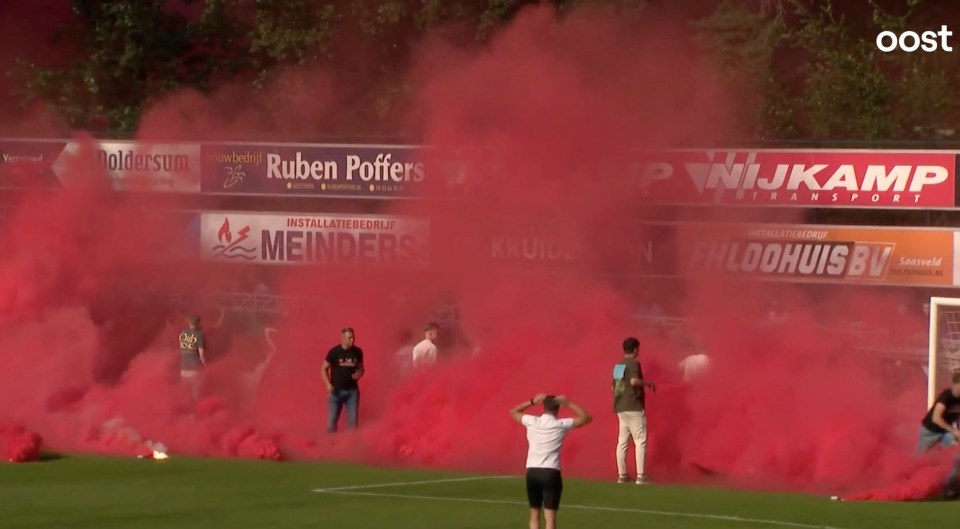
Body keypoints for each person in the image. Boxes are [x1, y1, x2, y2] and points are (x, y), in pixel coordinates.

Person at [510, 394, 591, 529]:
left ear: (543, 407)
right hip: (550, 472)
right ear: (557, 408)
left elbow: (513, 412)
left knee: (534, 513)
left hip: (532, 471)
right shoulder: (560, 424)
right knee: (550, 516)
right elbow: (586, 418)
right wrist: (569, 403)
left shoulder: (532, 421)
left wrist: (531, 401)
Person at [613, 337, 656, 484]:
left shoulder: (618, 365)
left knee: (622, 442)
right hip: (634, 406)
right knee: (640, 441)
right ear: (636, 349)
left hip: (620, 407)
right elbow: (633, 381)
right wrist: (648, 383)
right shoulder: (634, 363)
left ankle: (622, 475)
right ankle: (641, 476)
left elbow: (615, 388)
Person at [322, 327, 364, 433]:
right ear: (343, 338)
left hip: (352, 392)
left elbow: (361, 368)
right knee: (331, 424)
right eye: (349, 338)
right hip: (336, 392)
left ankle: (351, 445)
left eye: (353, 337)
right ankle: (330, 446)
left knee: (353, 424)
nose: (352, 340)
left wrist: (359, 374)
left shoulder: (358, 352)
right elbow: (323, 368)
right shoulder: (334, 352)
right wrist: (327, 383)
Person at [918, 371, 960, 453]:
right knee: (920, 459)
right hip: (930, 432)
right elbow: (936, 418)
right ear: (956, 384)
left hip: (945, 433)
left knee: (956, 453)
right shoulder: (946, 396)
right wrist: (953, 430)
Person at [178, 315, 207, 402]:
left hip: (183, 367)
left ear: (189, 322)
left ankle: (185, 412)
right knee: (196, 394)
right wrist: (205, 365)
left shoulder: (182, 333)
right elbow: (201, 354)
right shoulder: (199, 334)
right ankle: (194, 412)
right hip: (195, 367)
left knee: (184, 393)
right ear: (198, 323)